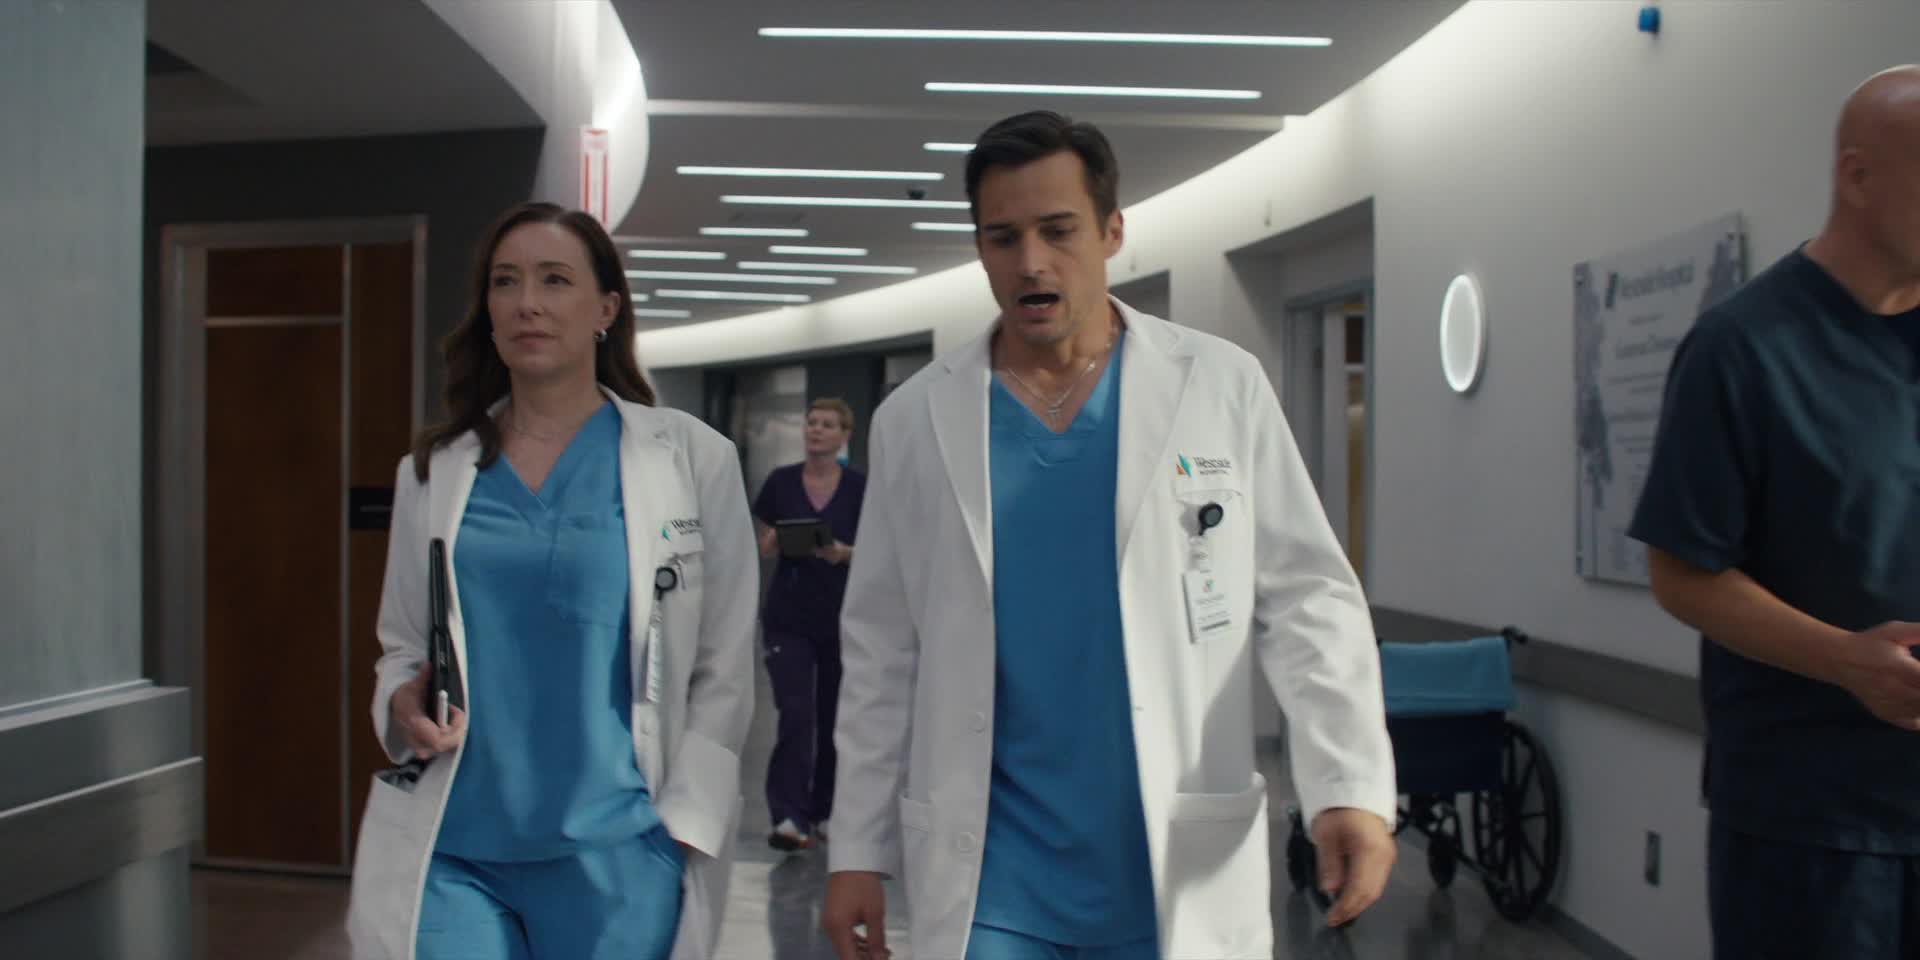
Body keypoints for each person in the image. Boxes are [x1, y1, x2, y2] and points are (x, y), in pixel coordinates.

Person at [819, 110, 1398, 960]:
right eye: (1003, 238)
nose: (1031, 261)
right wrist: (857, 849)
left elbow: (1308, 598)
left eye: (1058, 231)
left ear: (1112, 232)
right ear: (980, 249)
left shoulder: (1220, 386)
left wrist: (1347, 784)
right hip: (993, 883)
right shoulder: (915, 420)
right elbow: (880, 649)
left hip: (1172, 866)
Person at [344, 201, 757, 960]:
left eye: (554, 280)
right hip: (456, 846)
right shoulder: (433, 471)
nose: (527, 302)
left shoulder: (692, 460)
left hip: (620, 851)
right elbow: (402, 645)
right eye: (506, 282)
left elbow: (723, 667)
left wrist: (681, 825)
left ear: (606, 309)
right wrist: (402, 701)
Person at [1629, 65, 1920, 960]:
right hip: (1816, 826)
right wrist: (1846, 659)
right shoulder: (1744, 347)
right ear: (1858, 176)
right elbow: (1683, 574)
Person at [752, 398, 867, 851]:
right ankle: (789, 817)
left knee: (836, 718)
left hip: (843, 617)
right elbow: (762, 544)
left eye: (827, 425)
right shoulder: (781, 482)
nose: (816, 430)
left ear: (844, 435)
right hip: (789, 617)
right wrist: (773, 541)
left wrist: (842, 553)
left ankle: (825, 811)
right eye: (812, 422)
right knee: (796, 713)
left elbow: (879, 551)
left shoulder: (860, 488)